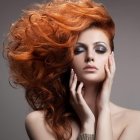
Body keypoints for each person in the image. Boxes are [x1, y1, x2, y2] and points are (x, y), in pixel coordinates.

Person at [4, 0, 140, 139]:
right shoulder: (40, 122)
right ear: (65, 59)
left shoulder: (135, 121)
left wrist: (103, 109)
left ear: (111, 58)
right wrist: (88, 122)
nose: (90, 57)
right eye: (78, 50)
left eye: (100, 49)